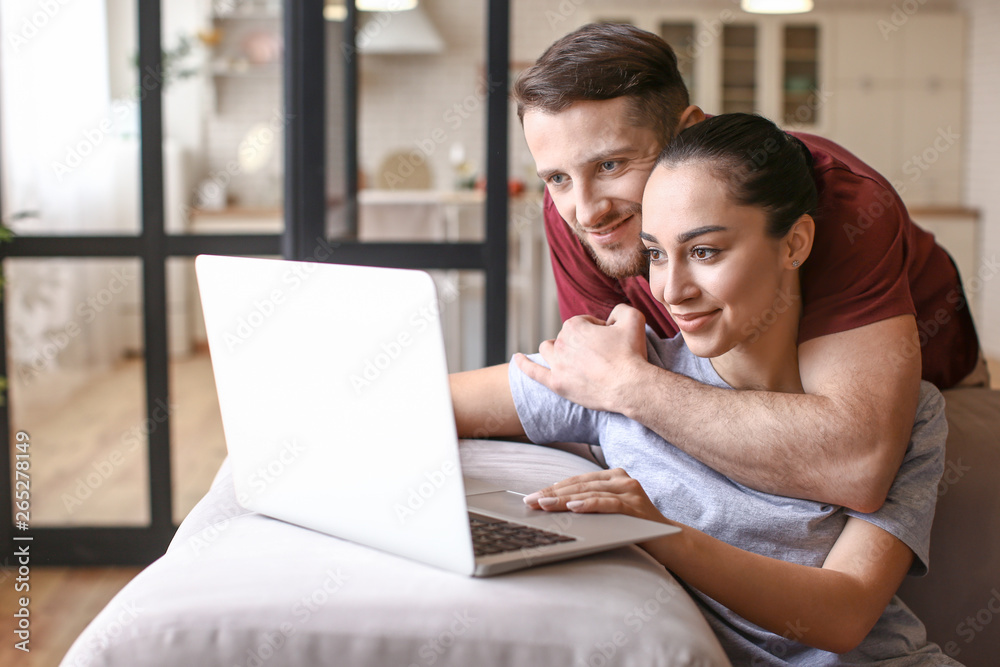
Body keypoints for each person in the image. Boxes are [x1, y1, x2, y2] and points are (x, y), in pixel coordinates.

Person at [451, 113, 961, 665]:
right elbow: (420, 407)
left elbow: (845, 614)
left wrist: (662, 532)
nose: (671, 289)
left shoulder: (908, 416)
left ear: (794, 243)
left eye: (705, 252)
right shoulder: (614, 371)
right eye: (655, 254)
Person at [508, 23, 983, 514]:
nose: (586, 213)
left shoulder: (844, 203)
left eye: (611, 165)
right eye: (558, 178)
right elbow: (598, 384)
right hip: (742, 403)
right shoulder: (577, 218)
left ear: (685, 129)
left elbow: (853, 465)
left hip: (941, 383)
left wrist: (631, 386)